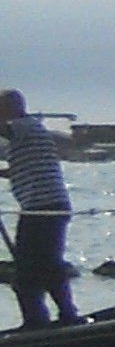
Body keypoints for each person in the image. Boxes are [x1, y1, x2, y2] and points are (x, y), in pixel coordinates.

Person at [2, 94, 72, 328]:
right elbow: (22, 169)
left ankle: (37, 322)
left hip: (42, 208)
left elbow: (5, 131)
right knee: (47, 265)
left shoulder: (23, 127)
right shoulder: (32, 132)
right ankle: (65, 314)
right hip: (48, 206)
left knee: (25, 274)